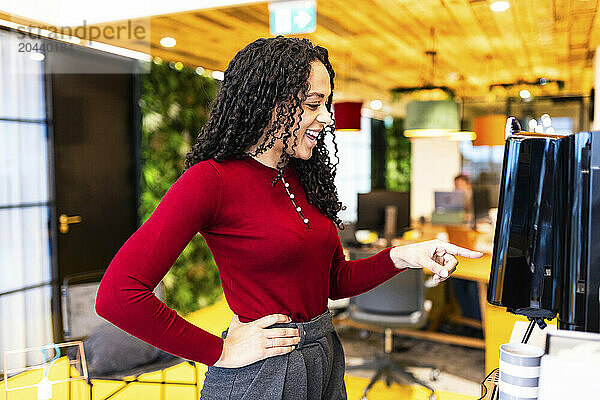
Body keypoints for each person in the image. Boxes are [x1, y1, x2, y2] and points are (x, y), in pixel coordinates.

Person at [95, 36, 482, 400]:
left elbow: (331, 282)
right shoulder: (211, 180)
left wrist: (403, 256)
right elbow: (118, 295)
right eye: (313, 105)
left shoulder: (302, 176)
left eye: (326, 105)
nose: (326, 118)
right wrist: (218, 350)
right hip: (261, 371)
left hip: (322, 355)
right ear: (270, 104)